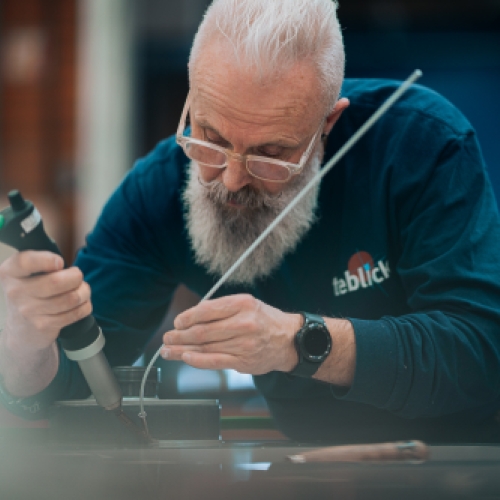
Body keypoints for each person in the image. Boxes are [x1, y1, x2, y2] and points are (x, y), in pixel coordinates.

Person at [1, 0, 500, 443]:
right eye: (211, 137)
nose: (233, 179)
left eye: (272, 153)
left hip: (465, 461)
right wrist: (24, 344)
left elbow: (481, 349)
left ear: (328, 124)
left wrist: (295, 341)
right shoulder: (156, 192)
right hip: (308, 469)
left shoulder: (421, 144)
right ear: (190, 100)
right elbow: (81, 380)